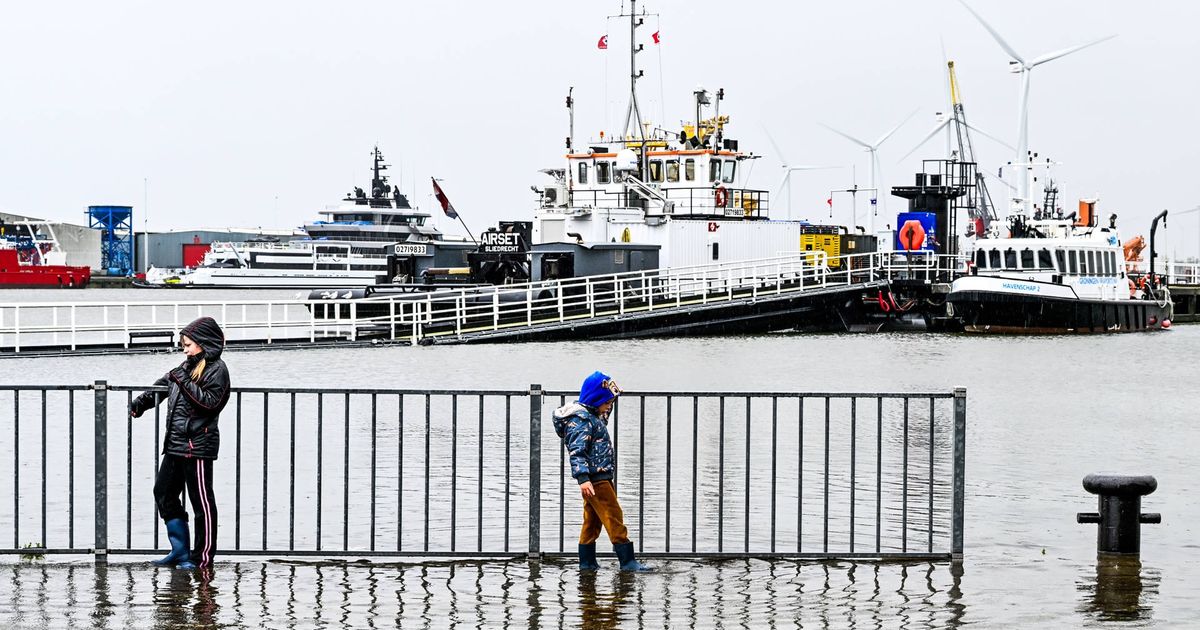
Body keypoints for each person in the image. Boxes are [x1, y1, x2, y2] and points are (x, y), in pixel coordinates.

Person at [130, 317, 231, 570]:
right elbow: (163, 386)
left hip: (198, 444)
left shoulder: (217, 369)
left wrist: (182, 381)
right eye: (183, 345)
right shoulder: (185, 366)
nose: (184, 349)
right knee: (163, 492)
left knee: (202, 503)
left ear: (203, 343)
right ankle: (180, 551)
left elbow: (210, 403)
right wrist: (141, 403)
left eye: (188, 344)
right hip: (175, 443)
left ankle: (202, 559)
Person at [552, 371, 651, 572]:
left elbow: (603, 412)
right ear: (596, 401)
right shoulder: (582, 422)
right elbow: (577, 452)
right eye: (607, 402)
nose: (609, 406)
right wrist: (583, 479)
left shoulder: (592, 416)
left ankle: (587, 563)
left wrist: (612, 393)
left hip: (598, 475)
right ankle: (627, 561)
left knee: (592, 520)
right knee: (614, 515)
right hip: (595, 478)